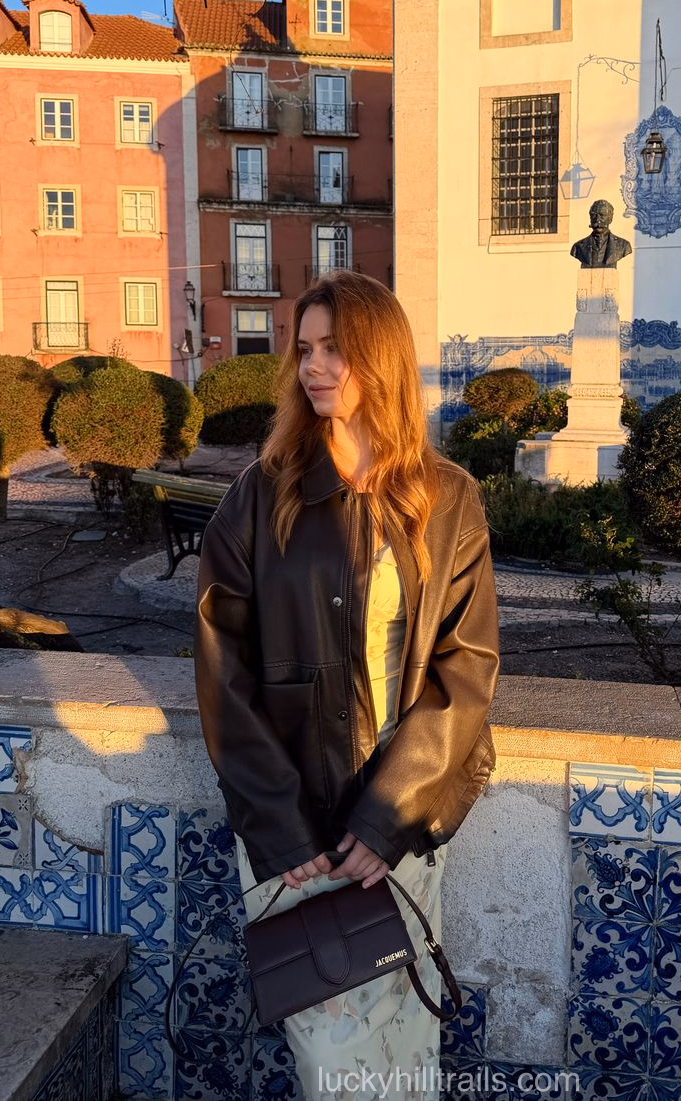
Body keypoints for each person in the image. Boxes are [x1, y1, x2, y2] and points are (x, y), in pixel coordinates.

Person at [193, 270, 500, 1101]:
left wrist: (387, 817)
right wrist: (284, 832)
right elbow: (224, 668)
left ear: (382, 360)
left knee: (405, 1048)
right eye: (305, 350)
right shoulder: (261, 497)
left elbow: (464, 670)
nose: (314, 367)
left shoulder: (449, 500)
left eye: (336, 350)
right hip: (293, 843)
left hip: (402, 825)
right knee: (333, 1068)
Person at [569, 198, 632, 269]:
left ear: (610, 218)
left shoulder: (623, 246)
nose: (597, 220)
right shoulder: (578, 247)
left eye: (602, 215)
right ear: (590, 218)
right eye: (594, 215)